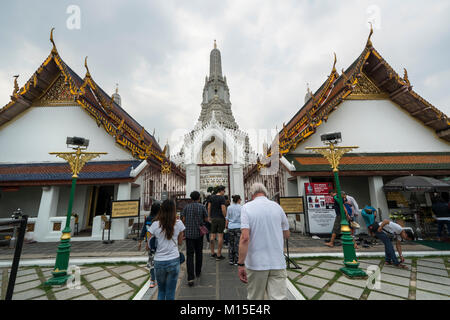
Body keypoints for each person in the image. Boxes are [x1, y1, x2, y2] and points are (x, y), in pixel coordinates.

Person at [237, 183, 290, 300]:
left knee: (256, 297)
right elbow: (287, 234)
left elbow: (245, 238)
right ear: (266, 193)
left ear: (252, 194)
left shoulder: (247, 207)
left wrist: (240, 264)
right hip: (277, 261)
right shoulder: (277, 207)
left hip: (257, 263)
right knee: (279, 298)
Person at [148, 199, 185, 300]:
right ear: (174, 209)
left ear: (162, 209)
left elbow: (149, 244)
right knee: (170, 292)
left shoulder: (155, 224)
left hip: (159, 261)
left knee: (161, 291)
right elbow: (181, 242)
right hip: (173, 259)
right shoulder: (179, 223)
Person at [181, 191, 208, 286]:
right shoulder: (202, 207)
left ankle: (190, 278)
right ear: (199, 198)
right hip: (199, 234)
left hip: (189, 234)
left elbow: (183, 219)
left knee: (190, 255)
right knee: (199, 253)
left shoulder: (186, 207)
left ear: (191, 198)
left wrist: (187, 224)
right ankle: (198, 271)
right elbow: (206, 219)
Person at [138, 202, 160, 288]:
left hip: (150, 244)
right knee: (159, 260)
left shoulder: (148, 219)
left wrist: (140, 241)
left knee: (151, 261)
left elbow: (144, 230)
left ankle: (152, 280)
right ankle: (158, 278)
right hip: (159, 243)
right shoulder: (160, 220)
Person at [207, 185, 227, 261]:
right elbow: (223, 209)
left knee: (212, 235)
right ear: (221, 190)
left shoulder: (211, 197)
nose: (224, 192)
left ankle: (212, 253)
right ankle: (218, 254)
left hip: (213, 218)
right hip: (221, 218)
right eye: (224, 191)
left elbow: (209, 207)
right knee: (220, 236)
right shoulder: (222, 198)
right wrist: (226, 217)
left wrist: (209, 216)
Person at [226, 195, 242, 266]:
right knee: (237, 244)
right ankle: (237, 260)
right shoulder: (241, 207)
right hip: (238, 227)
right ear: (238, 200)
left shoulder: (229, 207)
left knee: (231, 243)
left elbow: (227, 218)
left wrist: (226, 226)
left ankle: (231, 260)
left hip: (231, 227)